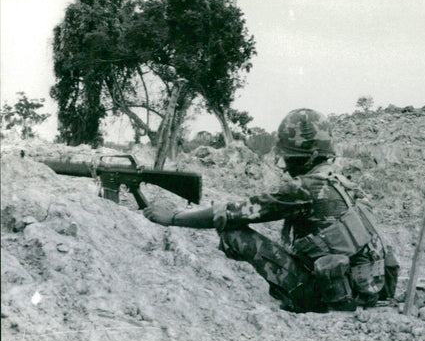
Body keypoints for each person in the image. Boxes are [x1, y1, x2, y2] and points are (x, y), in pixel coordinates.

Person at [144, 108, 398, 313]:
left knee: (234, 234)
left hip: (332, 298)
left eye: (289, 157)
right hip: (368, 291)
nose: (285, 165)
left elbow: (233, 212)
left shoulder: (304, 189)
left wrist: (174, 218)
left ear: (306, 158)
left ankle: (299, 299)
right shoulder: (340, 182)